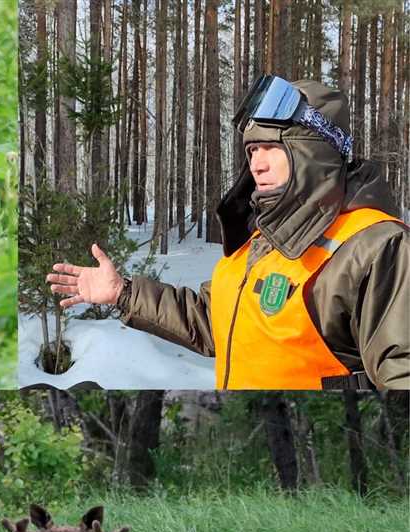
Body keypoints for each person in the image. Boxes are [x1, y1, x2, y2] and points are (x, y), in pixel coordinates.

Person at [47, 75, 409, 390]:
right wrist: (122, 293)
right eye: (252, 150)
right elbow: (209, 319)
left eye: (271, 147)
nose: (257, 163)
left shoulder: (376, 246)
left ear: (312, 152)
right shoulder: (261, 242)